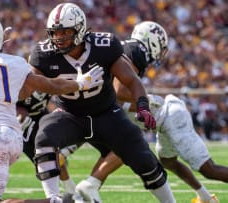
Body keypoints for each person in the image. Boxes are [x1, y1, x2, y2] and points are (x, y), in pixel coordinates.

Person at [0, 13, 103, 203]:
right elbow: (50, 84)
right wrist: (80, 83)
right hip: (13, 137)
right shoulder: (15, 62)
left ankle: (59, 202)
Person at [76, 21, 228, 203]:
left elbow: (120, 93)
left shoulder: (130, 50)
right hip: (163, 116)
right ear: (152, 40)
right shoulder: (134, 50)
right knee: (168, 162)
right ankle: (205, 198)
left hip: (169, 115)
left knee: (209, 170)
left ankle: (90, 184)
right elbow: (120, 92)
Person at [29, 3, 175, 203]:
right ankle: (53, 199)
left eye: (65, 31)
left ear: (80, 29)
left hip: (106, 113)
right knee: (44, 137)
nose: (59, 37)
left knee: (144, 157)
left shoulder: (103, 46)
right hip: (69, 114)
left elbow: (132, 81)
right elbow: (33, 83)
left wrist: (142, 106)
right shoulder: (43, 54)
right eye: (55, 32)